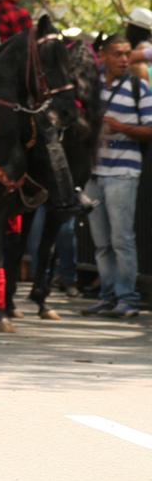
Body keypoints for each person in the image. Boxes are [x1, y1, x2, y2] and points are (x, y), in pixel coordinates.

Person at [81, 34, 152, 318]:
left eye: (127, 54)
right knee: (101, 241)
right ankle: (108, 294)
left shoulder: (140, 88)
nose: (124, 59)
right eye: (118, 54)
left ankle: (128, 297)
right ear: (105, 57)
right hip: (94, 173)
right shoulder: (91, 86)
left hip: (123, 171)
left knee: (122, 238)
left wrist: (119, 127)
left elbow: (150, 129)